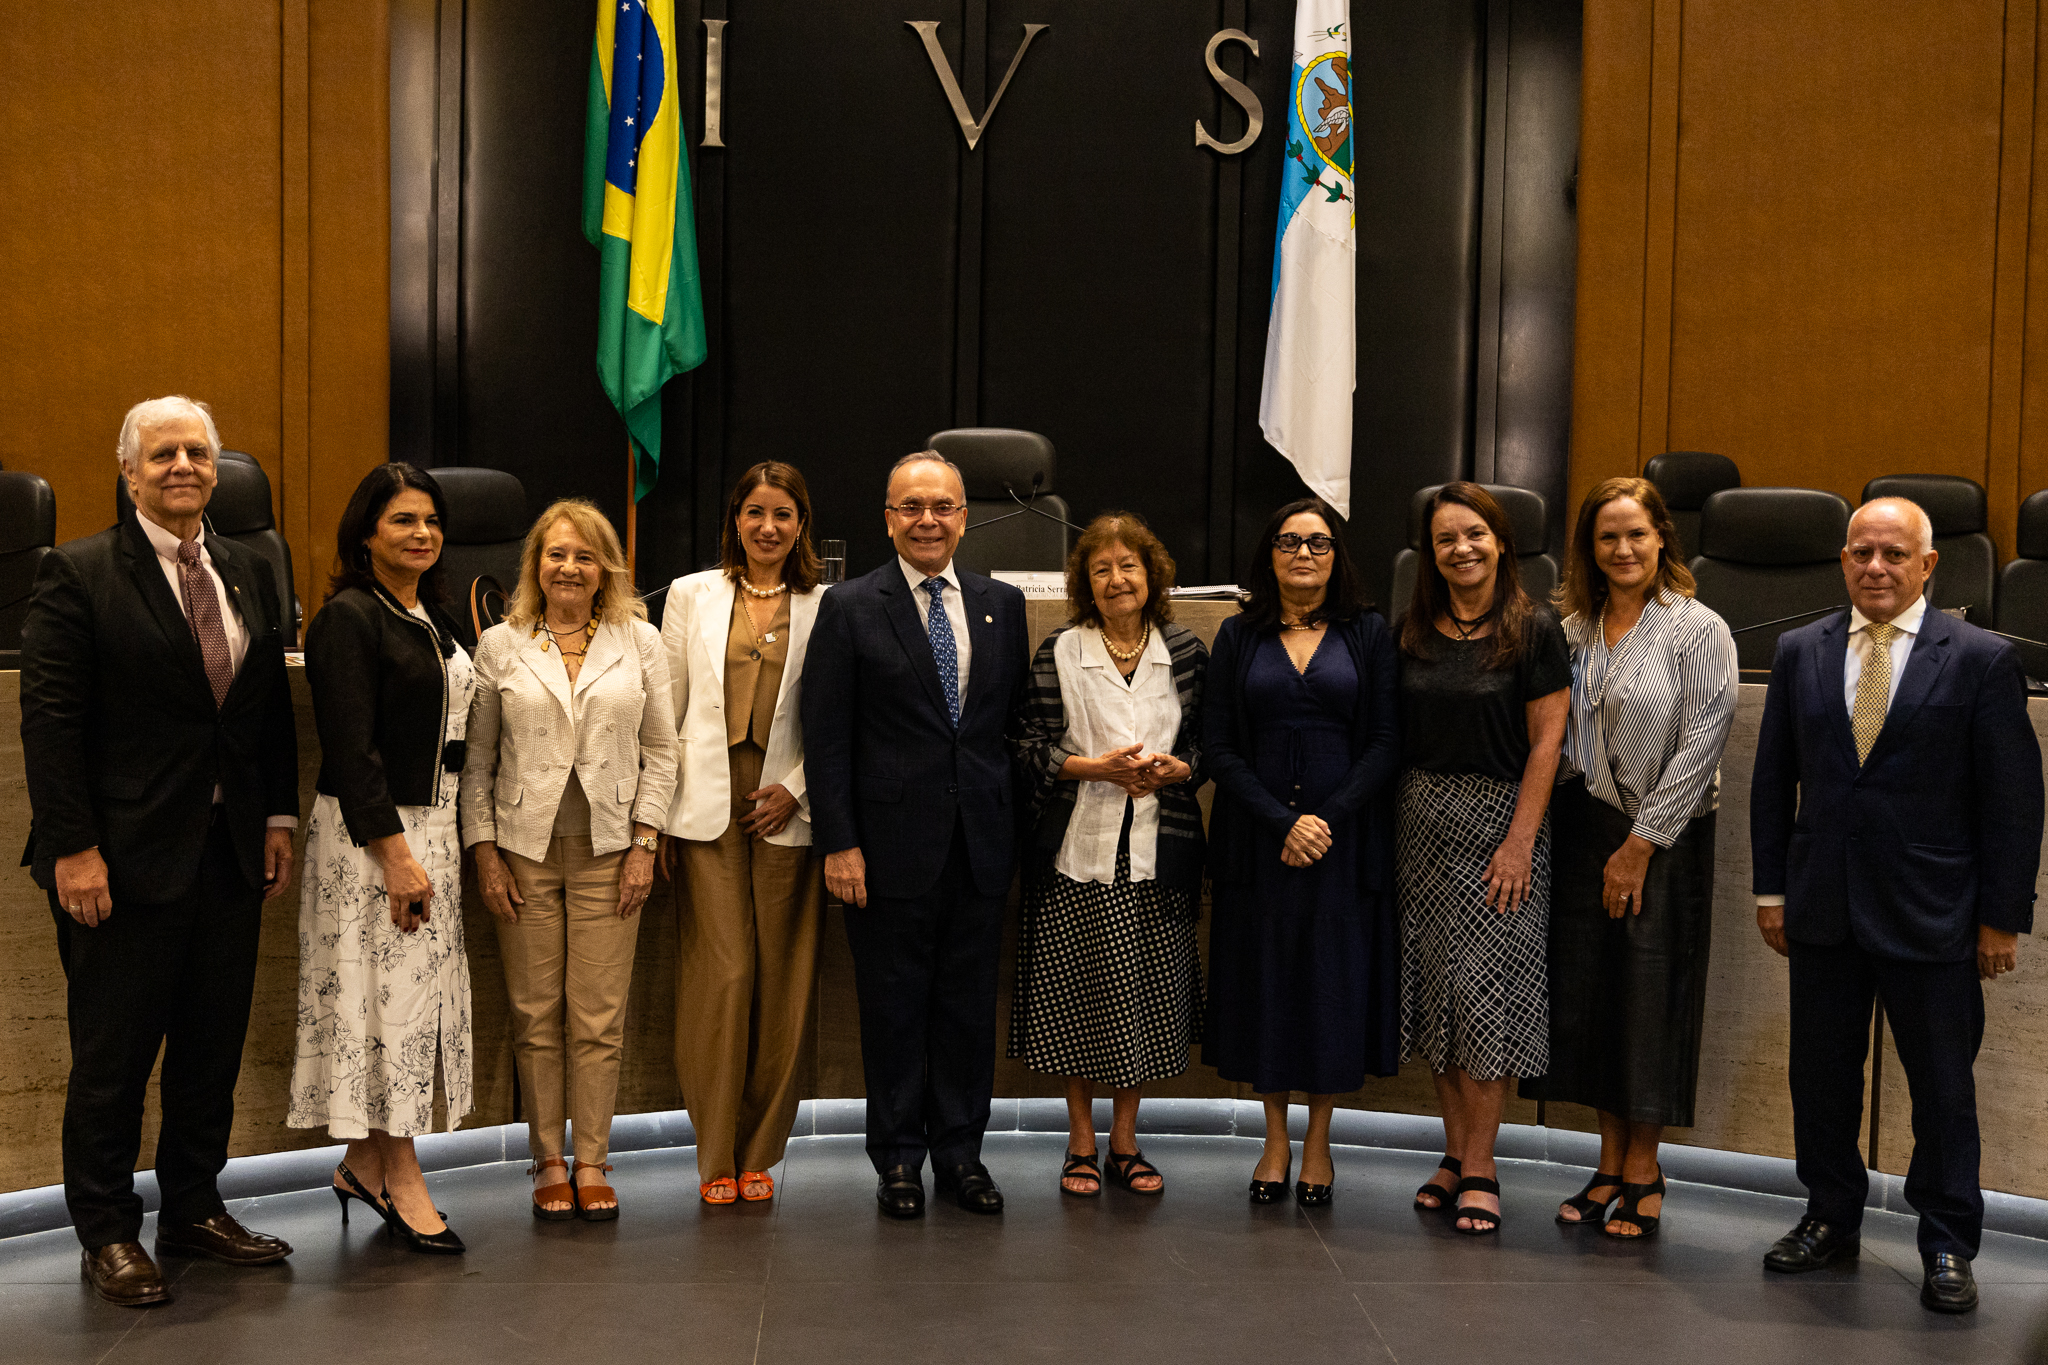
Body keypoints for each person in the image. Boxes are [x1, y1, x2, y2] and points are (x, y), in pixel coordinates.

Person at [21, 396, 299, 1305]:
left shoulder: (252, 567)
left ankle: (192, 1205)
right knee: (114, 1057)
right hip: (121, 861)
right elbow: (50, 724)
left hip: (226, 853)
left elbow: (263, 714)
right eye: (163, 453)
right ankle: (106, 1231)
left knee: (209, 1049)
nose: (183, 465)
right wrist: (73, 848)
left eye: (198, 451)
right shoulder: (80, 571)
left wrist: (278, 818)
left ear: (216, 468)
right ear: (129, 470)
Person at [1751, 496, 2043, 1314]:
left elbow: (2014, 802)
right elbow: (1773, 783)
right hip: (1822, 912)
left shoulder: (1981, 658)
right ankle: (1829, 1214)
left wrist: (2002, 917)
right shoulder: (1799, 651)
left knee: (1943, 1090)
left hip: (1936, 915)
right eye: (1860, 552)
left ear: (1927, 565)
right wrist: (1771, 889)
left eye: (1892, 553)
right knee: (1821, 1079)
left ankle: (1948, 1238)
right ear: (1842, 561)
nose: (1875, 567)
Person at [800, 449, 1030, 1218]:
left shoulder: (1003, 601)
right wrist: (839, 841)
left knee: (967, 1013)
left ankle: (962, 1154)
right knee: (894, 1010)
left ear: (964, 516)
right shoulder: (851, 605)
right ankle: (898, 1157)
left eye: (942, 507)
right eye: (911, 507)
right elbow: (825, 735)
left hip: (980, 846)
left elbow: (1007, 729)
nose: (927, 520)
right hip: (885, 851)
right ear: (888, 517)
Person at [1521, 477, 1737, 1238]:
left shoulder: (1698, 627)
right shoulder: (1569, 629)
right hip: (1583, 830)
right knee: (1596, 1000)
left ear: (1661, 541)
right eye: (1607, 537)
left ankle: (1645, 1168)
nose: (1622, 549)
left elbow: (1706, 738)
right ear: (1590, 548)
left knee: (1652, 1001)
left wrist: (1642, 843)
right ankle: (1607, 1163)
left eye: (1636, 534)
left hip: (1664, 838)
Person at [461, 500, 677, 1220]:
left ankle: (591, 1159)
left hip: (612, 852)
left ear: (604, 567)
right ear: (536, 564)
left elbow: (662, 751)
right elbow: (479, 763)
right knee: (533, 1011)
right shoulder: (501, 643)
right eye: (556, 554)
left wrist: (646, 843)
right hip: (522, 852)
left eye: (585, 556)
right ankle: (546, 1158)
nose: (570, 567)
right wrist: (484, 853)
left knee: (598, 1015)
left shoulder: (638, 640)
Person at [288, 463, 473, 1255]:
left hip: (436, 832)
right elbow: (353, 753)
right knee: (386, 1002)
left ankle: (363, 1161)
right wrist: (395, 856)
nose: (422, 533)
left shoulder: (430, 612)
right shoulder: (347, 619)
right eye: (402, 520)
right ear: (366, 533)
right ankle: (400, 1172)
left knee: (413, 1001)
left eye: (430, 519)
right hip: (374, 841)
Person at [1202, 498, 1401, 1207]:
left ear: (1336, 555)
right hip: (1257, 846)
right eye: (1289, 541)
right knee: (1267, 986)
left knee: (1329, 989)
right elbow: (1218, 746)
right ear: (1271, 555)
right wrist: (1280, 820)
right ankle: (1275, 1138)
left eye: (1318, 542)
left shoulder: (1369, 634)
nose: (1304, 554)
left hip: (1343, 848)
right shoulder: (1237, 635)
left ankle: (1319, 1140)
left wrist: (1322, 818)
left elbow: (1384, 742)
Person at [1010, 513, 1208, 1198]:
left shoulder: (1184, 650)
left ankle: (1126, 1139)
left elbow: (1212, 746)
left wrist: (1177, 770)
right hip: (1075, 850)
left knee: (1142, 994)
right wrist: (1095, 767)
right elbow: (1029, 746)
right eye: (1102, 568)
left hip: (1160, 852)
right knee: (1079, 994)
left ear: (1151, 575)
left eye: (1129, 565)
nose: (1117, 578)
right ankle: (1081, 1140)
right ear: (1084, 583)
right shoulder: (1059, 650)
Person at [1397, 481, 1571, 1235]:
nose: (1461, 548)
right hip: (1422, 824)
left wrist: (1520, 840)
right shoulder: (1415, 628)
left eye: (1475, 534)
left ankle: (1482, 1164)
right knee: (1440, 996)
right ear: (1428, 553)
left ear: (1501, 541)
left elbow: (1548, 742)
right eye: (1445, 539)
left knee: (1489, 996)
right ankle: (1455, 1150)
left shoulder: (1536, 628)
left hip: (1503, 824)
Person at [660, 463, 826, 1206]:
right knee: (723, 973)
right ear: (735, 518)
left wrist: (799, 788)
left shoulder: (830, 604)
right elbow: (664, 712)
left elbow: (842, 716)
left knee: (783, 976)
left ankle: (760, 1149)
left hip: (788, 799)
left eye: (783, 513)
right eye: (755, 511)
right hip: (704, 800)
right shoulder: (691, 595)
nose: (768, 526)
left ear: (801, 524)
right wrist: (652, 816)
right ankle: (714, 1148)